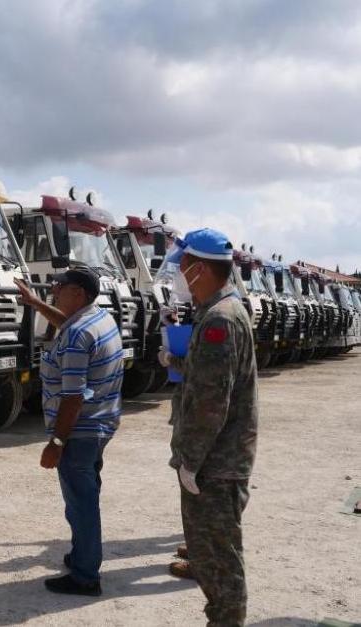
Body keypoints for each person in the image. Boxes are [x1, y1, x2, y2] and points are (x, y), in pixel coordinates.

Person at [158, 228, 259, 627]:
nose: (179, 275)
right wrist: (174, 360)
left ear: (199, 268)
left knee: (220, 563)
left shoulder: (220, 319)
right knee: (209, 555)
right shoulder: (219, 311)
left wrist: (190, 461)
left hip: (214, 465)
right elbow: (209, 379)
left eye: (182, 267)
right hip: (216, 461)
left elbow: (211, 403)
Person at [15, 268, 124, 597]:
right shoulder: (98, 319)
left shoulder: (77, 336)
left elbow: (73, 398)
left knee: (81, 503)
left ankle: (85, 576)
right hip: (101, 424)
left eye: (59, 287)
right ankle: (82, 556)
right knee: (85, 495)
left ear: (78, 293)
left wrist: (57, 442)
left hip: (80, 431)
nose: (53, 289)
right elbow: (68, 322)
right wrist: (36, 304)